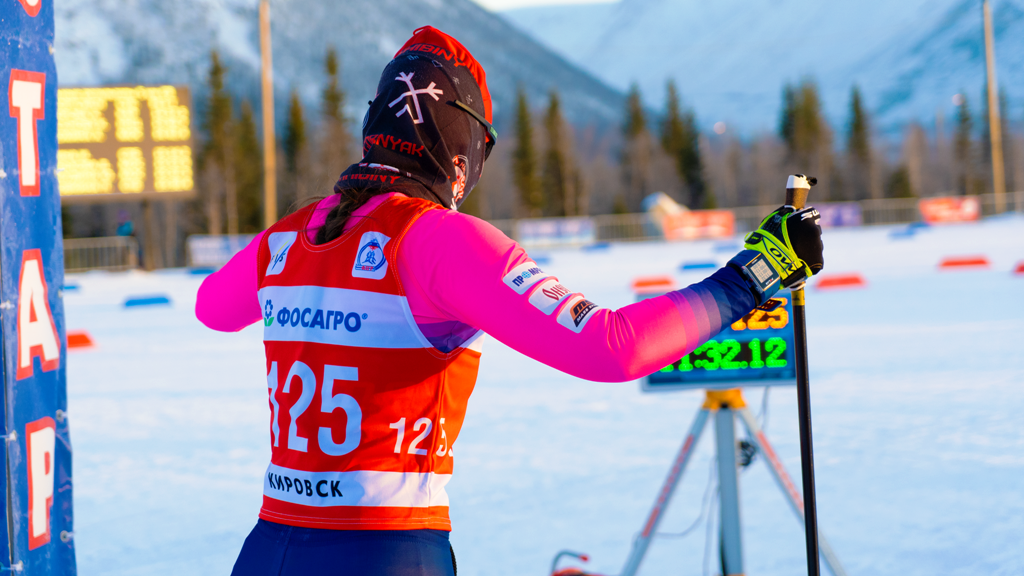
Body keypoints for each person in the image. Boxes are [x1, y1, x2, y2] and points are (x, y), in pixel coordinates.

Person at [195, 26, 824, 576]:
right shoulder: (441, 241)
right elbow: (611, 347)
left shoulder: (291, 234)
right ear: (461, 150)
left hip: (271, 546)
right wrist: (752, 276)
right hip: (384, 550)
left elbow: (212, 309)